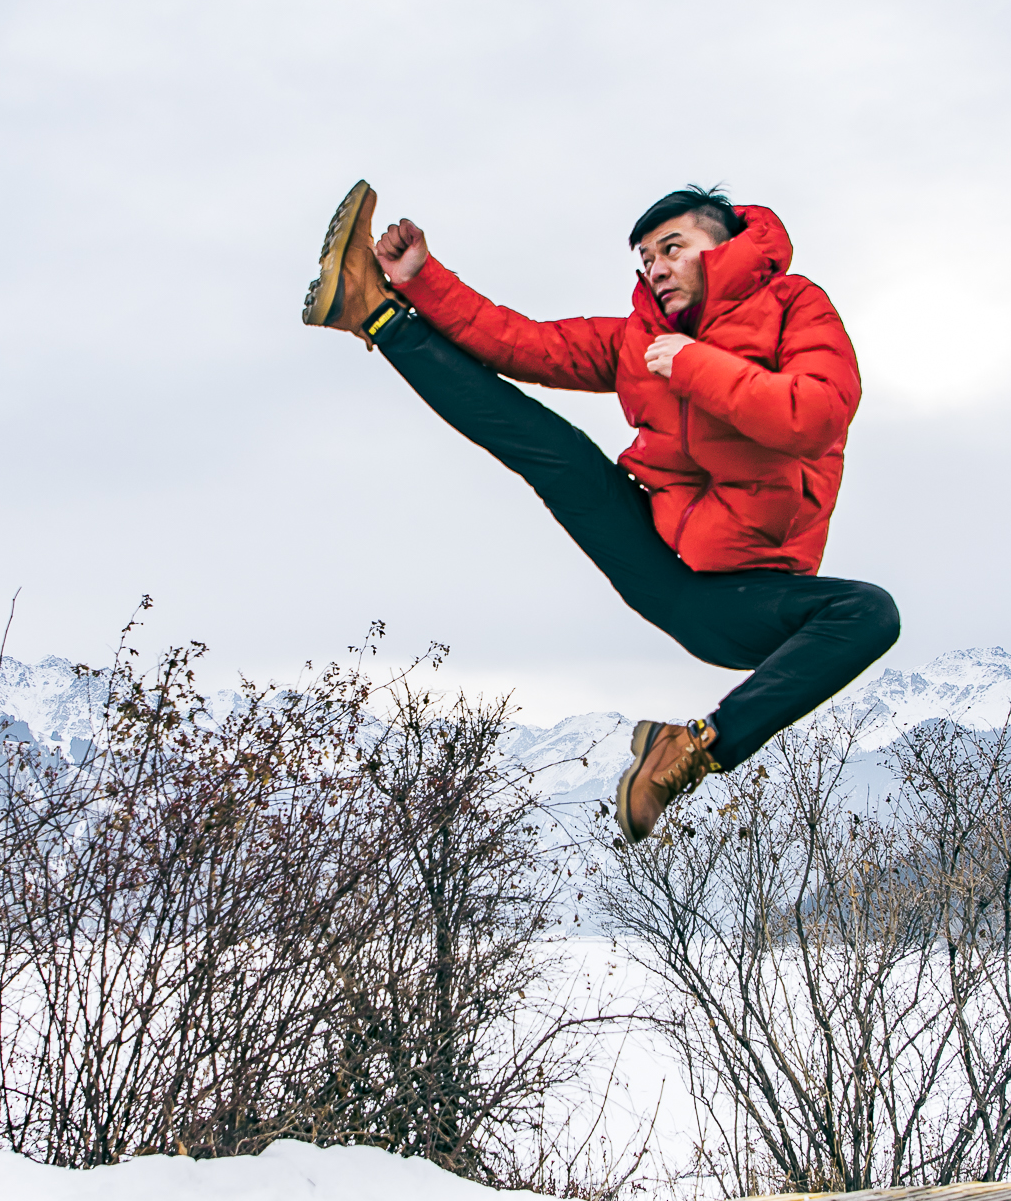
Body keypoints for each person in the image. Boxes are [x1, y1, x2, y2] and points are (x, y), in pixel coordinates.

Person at [302, 180, 899, 842]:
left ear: (725, 243)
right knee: (552, 449)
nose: (658, 268)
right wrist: (421, 278)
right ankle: (372, 308)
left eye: (673, 248)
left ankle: (692, 749)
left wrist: (696, 365)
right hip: (654, 550)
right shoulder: (640, 340)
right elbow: (522, 343)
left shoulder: (796, 307)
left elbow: (812, 416)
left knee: (869, 612)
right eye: (646, 259)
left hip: (741, 596)